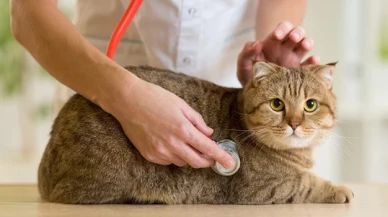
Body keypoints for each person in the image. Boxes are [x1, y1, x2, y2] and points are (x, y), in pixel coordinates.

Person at [10, 0, 319, 169]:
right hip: (105, 116)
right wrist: (126, 98)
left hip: (231, 121)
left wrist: (267, 71)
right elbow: (28, 12)